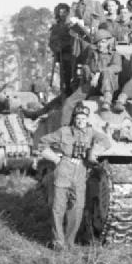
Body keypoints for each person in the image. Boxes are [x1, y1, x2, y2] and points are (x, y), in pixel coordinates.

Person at [38, 104, 111, 250]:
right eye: (78, 118)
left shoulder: (91, 133)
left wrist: (93, 152)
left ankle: (69, 242)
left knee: (77, 209)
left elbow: (106, 141)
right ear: (74, 119)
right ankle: (58, 242)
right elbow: (42, 142)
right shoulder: (64, 131)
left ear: (87, 119)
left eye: (83, 118)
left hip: (80, 171)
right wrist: (55, 158)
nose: (80, 121)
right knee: (58, 208)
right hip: (64, 168)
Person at [61, 27, 123, 122]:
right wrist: (89, 72)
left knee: (107, 72)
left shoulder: (114, 54)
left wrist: (99, 72)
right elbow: (87, 66)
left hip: (108, 86)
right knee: (69, 102)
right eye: (97, 42)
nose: (100, 45)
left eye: (102, 42)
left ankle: (107, 100)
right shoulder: (92, 53)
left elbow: (117, 67)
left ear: (108, 43)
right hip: (92, 84)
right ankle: (64, 128)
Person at [49, 2, 74, 94]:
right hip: (61, 56)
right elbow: (51, 42)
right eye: (60, 12)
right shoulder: (55, 27)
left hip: (72, 54)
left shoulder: (72, 25)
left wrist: (67, 45)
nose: (62, 14)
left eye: (64, 12)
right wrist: (57, 48)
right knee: (63, 79)